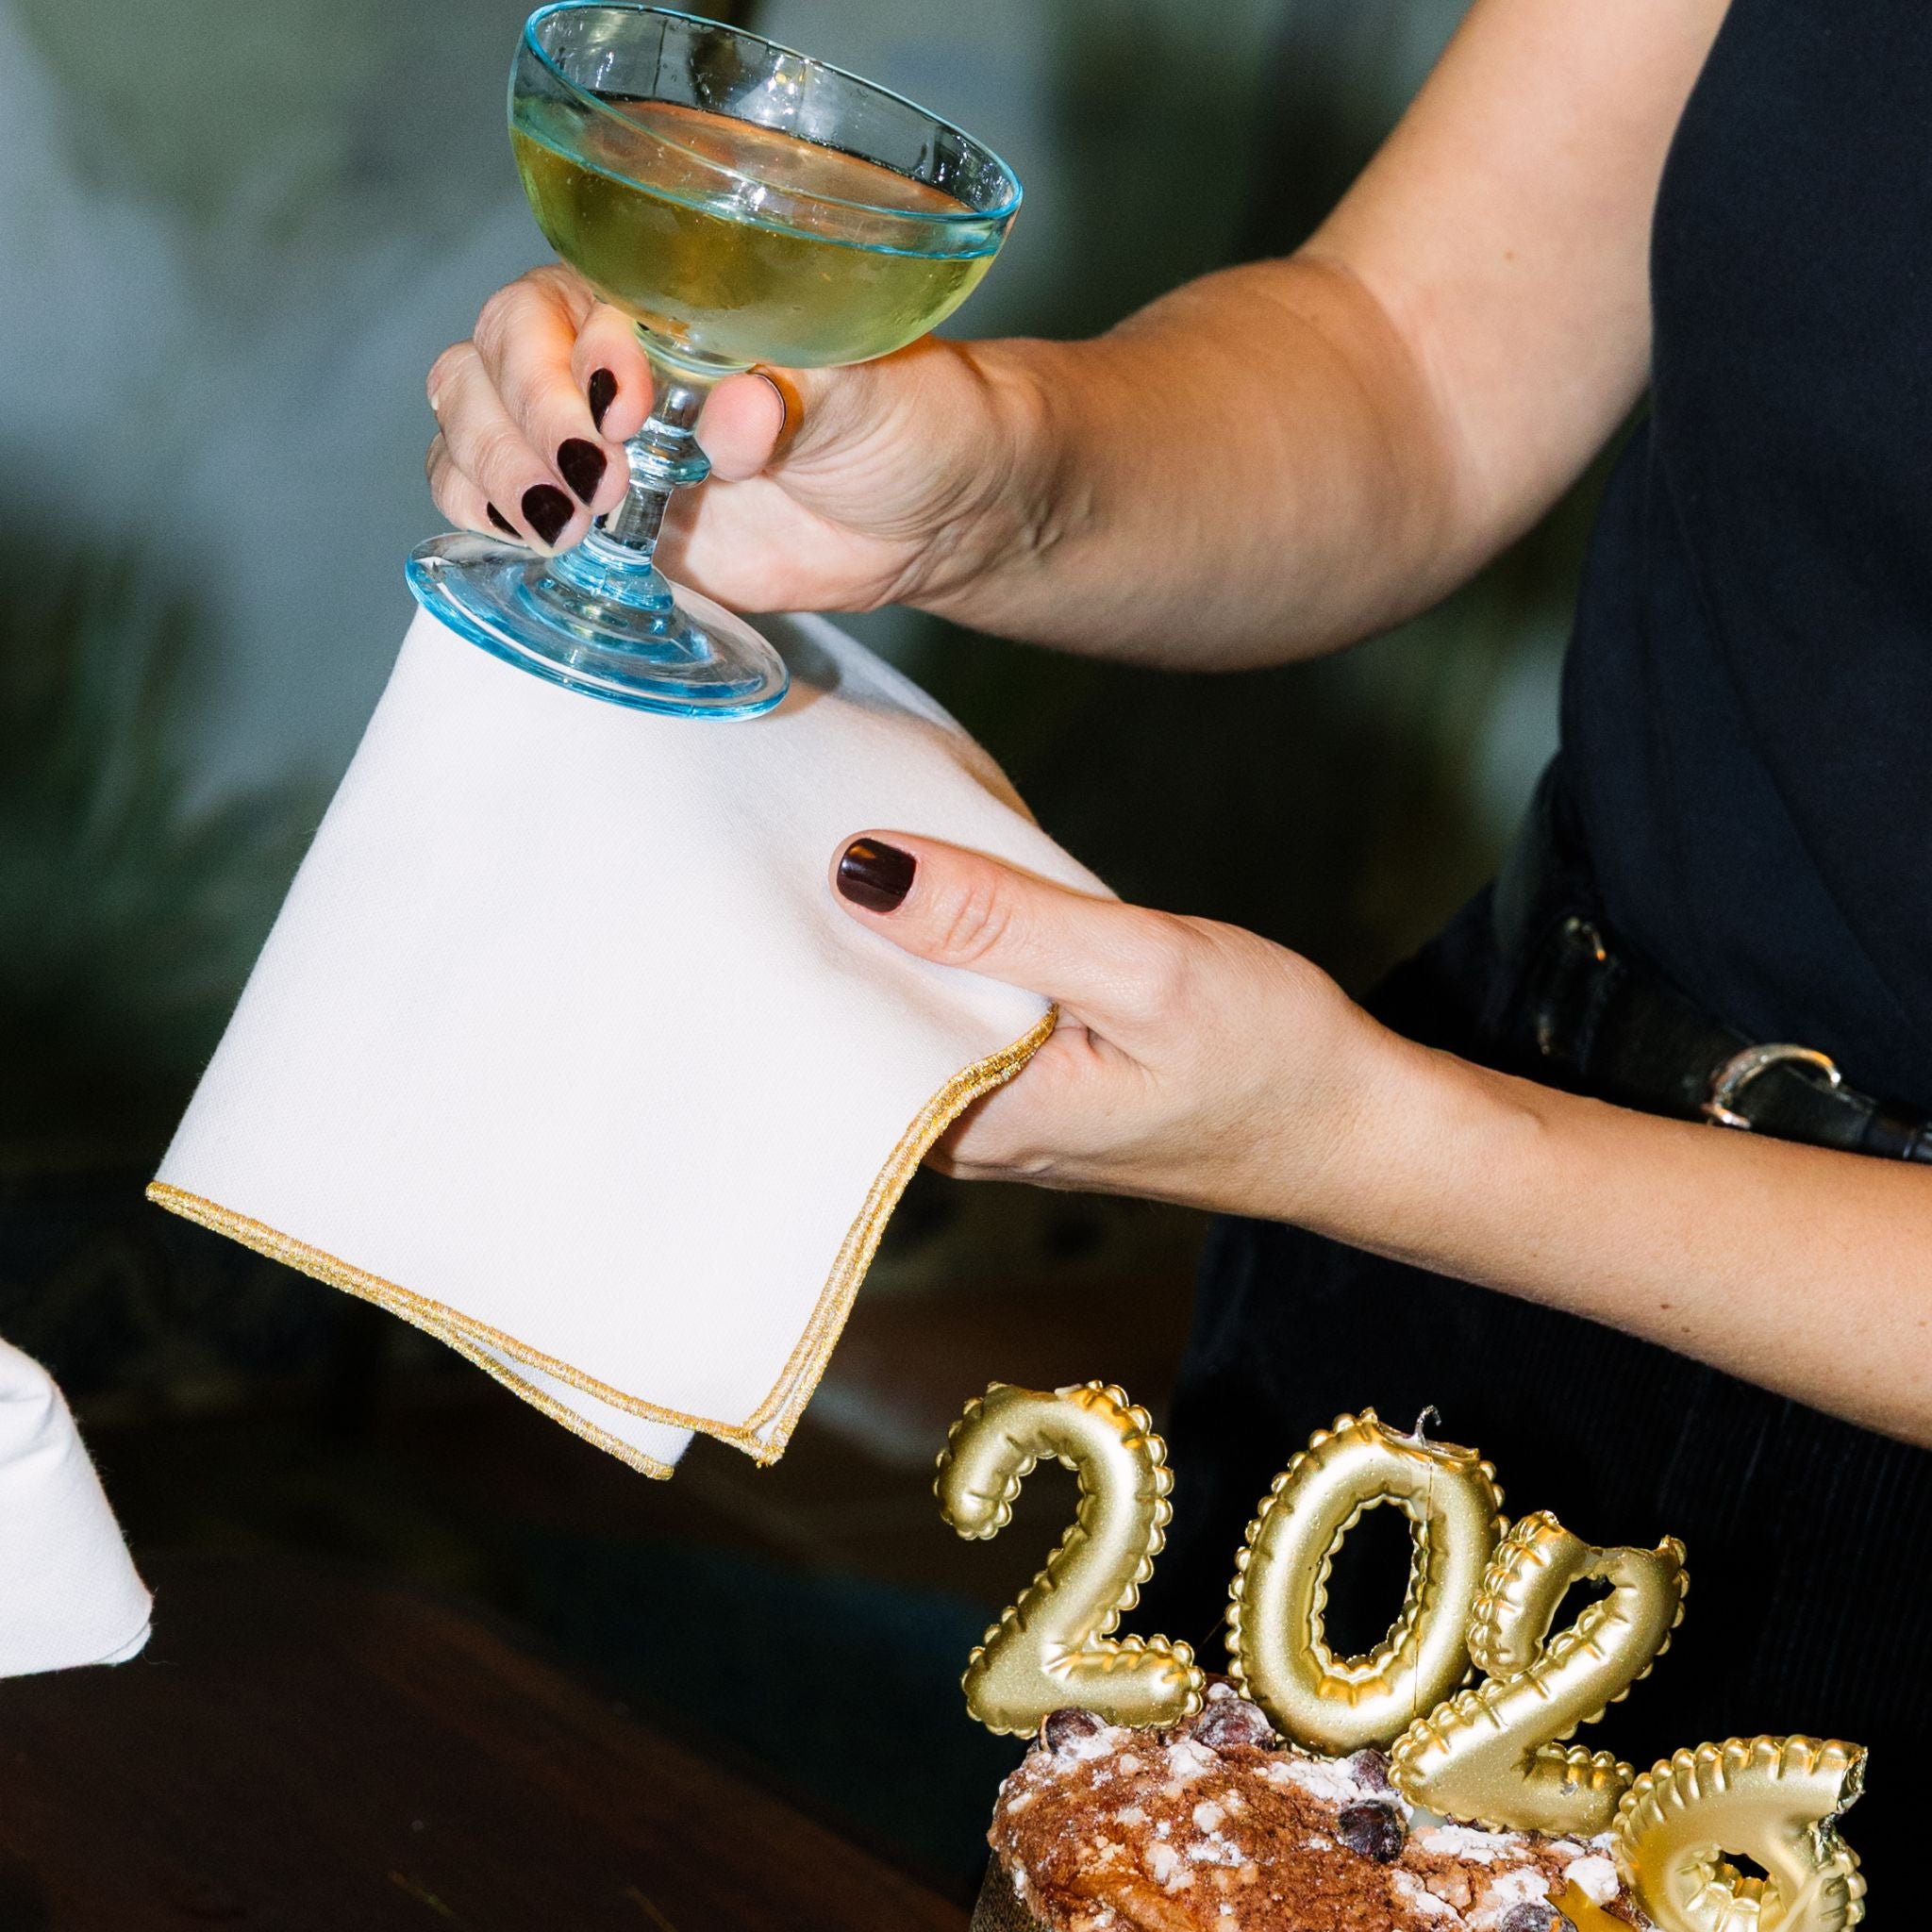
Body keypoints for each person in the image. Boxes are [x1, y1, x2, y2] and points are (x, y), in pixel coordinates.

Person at [427, 0, 1928, 1887]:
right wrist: (984, 476)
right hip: (1464, 1273)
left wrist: (1379, 1146)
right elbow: (1407, 362)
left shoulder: (1394, 1146)